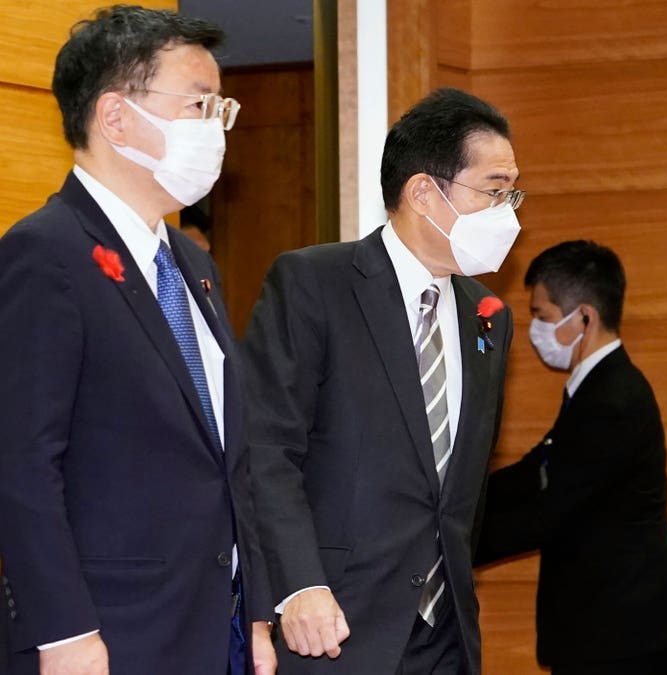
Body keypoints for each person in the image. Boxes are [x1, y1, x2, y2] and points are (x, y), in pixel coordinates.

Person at [0, 6, 275, 675]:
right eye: (199, 104)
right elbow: (22, 460)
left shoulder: (192, 264)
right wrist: (63, 629)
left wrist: (258, 610)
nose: (216, 127)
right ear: (117, 117)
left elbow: (228, 459)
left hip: (214, 626)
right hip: (106, 634)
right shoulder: (46, 254)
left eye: (221, 108)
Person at [242, 87, 520, 674]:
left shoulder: (488, 314)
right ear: (423, 191)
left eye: (512, 194)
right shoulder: (315, 284)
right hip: (335, 625)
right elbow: (266, 449)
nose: (509, 213)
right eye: (494, 192)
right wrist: (296, 585)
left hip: (446, 637)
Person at [475, 240, 667, 674]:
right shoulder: (597, 387)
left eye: (542, 317)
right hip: (614, 631)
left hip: (629, 634)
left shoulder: (612, 399)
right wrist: (458, 502)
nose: (535, 331)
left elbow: (553, 512)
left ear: (584, 316)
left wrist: (453, 544)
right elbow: (538, 470)